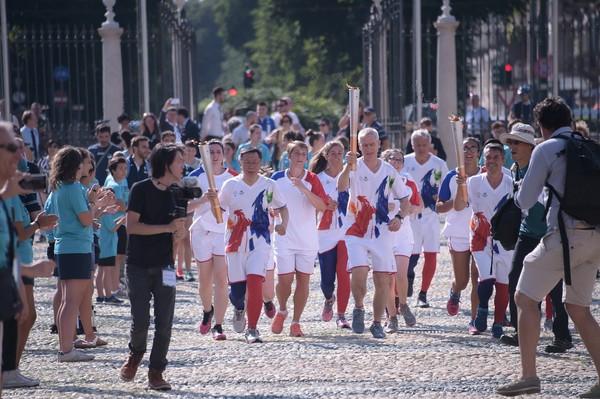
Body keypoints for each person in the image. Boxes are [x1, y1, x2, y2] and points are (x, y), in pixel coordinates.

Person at [497, 97, 600, 397]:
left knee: (524, 297)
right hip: (595, 237)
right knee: (578, 308)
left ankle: (529, 375)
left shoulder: (545, 148)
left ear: (542, 127)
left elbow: (526, 200)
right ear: (569, 121)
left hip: (566, 236)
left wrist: (518, 194)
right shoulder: (590, 146)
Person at [497, 123, 572, 353]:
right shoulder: (516, 168)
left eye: (516, 143)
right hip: (527, 232)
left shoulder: (540, 164)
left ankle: (562, 336)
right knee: (515, 279)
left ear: (531, 146)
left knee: (555, 289)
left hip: (549, 233)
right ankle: (522, 333)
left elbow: (540, 199)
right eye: (510, 143)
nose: (512, 147)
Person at [119, 143, 187, 390]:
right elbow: (133, 226)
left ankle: (156, 371)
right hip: (137, 264)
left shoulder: (178, 192)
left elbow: (179, 231)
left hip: (165, 266)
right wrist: (167, 228)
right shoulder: (140, 188)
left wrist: (177, 236)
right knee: (140, 321)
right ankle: (135, 355)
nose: (183, 165)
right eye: (179, 161)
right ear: (166, 163)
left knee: (165, 322)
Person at [337, 128, 411, 339]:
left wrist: (399, 218)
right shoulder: (353, 167)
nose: (368, 149)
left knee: (382, 280)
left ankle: (377, 322)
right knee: (359, 273)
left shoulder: (389, 171)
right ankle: (359, 307)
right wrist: (346, 167)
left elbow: (404, 200)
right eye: (364, 145)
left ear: (379, 145)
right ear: (359, 146)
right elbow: (341, 187)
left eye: (372, 144)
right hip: (356, 228)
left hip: (382, 230)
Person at [216, 147, 289, 343]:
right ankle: (239, 308)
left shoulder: (269, 185)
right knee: (238, 292)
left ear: (260, 163)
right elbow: (218, 213)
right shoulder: (230, 185)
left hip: (260, 242)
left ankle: (253, 329)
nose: (251, 166)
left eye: (255, 162)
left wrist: (283, 224)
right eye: (247, 162)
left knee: (256, 283)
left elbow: (282, 207)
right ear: (240, 164)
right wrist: (211, 201)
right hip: (235, 242)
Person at [454, 143, 513, 339]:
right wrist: (461, 186)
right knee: (486, 280)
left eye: (496, 157)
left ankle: (497, 322)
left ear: (503, 160)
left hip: (505, 240)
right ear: (483, 160)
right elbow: (460, 206)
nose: (492, 161)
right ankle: (481, 311)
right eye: (488, 158)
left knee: (503, 284)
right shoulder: (474, 182)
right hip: (480, 238)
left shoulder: (512, 182)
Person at [270, 141, 327, 337]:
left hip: (307, 239)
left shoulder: (312, 179)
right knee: (284, 280)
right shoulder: (276, 178)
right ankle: (282, 309)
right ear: (288, 156)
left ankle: (296, 322)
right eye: (296, 153)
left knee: (303, 281)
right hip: (284, 237)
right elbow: (268, 202)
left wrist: (304, 189)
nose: (300, 156)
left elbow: (322, 207)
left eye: (303, 153)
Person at [51, 146, 100, 362]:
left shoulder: (59, 187)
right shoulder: (72, 189)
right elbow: (86, 220)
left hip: (64, 247)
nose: (84, 166)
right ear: (74, 166)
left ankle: (66, 346)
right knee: (71, 301)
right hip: (77, 247)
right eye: (81, 163)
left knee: (66, 301)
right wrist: (92, 201)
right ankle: (66, 349)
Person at [189, 140, 238, 340]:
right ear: (204, 155)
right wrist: (203, 200)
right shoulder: (193, 177)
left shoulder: (233, 177)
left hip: (223, 232)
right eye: (211, 152)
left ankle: (218, 324)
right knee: (205, 281)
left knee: (221, 280)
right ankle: (207, 310)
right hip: (201, 232)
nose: (215, 155)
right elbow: (183, 207)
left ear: (224, 154)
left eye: (219, 152)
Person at [437, 138, 481, 329]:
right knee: (463, 281)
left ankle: (475, 319)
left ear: (478, 152)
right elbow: (438, 206)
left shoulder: (486, 175)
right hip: (458, 233)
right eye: (465, 148)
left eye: (472, 148)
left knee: (477, 278)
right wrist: (455, 203)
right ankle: (455, 292)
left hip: (480, 233)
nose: (469, 151)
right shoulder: (450, 177)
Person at [403, 129, 449, 307]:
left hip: (431, 216)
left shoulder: (438, 164)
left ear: (430, 145)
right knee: (410, 257)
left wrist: (441, 198)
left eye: (424, 145)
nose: (421, 148)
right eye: (417, 145)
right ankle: (409, 277)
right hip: (410, 216)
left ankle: (423, 294)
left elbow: (447, 187)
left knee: (431, 254)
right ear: (412, 145)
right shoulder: (405, 162)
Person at [309, 140, 351, 328]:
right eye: (332, 153)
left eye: (339, 152)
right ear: (325, 156)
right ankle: (329, 299)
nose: (336, 156)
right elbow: (310, 204)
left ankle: (341, 315)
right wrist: (324, 204)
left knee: (343, 274)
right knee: (327, 280)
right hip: (325, 232)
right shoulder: (317, 178)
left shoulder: (352, 176)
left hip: (347, 230)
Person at [381, 149, 419, 331]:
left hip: (403, 234)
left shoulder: (408, 180)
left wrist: (406, 209)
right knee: (388, 278)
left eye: (399, 160)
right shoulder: (378, 178)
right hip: (383, 234)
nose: (395, 162)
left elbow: (418, 206)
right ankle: (392, 316)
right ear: (384, 160)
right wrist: (381, 206)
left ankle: (403, 304)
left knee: (401, 275)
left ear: (403, 164)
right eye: (391, 159)